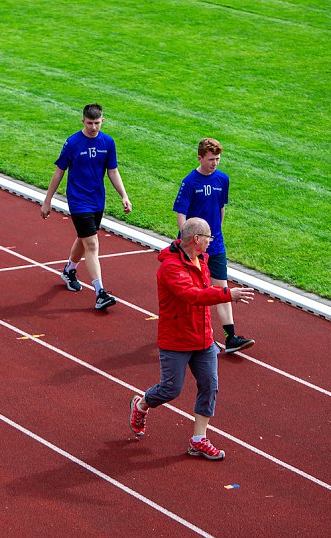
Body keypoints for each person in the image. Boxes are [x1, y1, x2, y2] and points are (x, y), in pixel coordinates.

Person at [128, 217, 255, 460]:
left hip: (203, 338)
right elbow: (192, 295)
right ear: (197, 239)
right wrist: (228, 294)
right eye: (208, 237)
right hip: (176, 339)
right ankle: (141, 404)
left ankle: (199, 440)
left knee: (210, 385)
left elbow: (204, 292)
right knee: (170, 389)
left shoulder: (202, 260)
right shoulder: (170, 268)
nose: (211, 241)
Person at [40, 103, 132, 310]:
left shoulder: (108, 142)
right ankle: (100, 293)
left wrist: (124, 195)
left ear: (103, 121)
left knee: (84, 239)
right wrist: (47, 200)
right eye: (89, 123)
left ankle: (69, 270)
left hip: (97, 200)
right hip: (78, 200)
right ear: (83, 121)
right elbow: (59, 171)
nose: (93, 127)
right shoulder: (72, 143)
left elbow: (113, 171)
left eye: (97, 123)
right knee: (92, 244)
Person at [173, 138, 255, 353]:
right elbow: (181, 214)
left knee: (221, 288)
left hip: (215, 244)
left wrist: (214, 235)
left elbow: (221, 209)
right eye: (211, 159)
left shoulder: (222, 179)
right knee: (194, 290)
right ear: (200, 158)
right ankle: (189, 332)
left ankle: (231, 337)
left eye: (218, 159)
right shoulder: (189, 182)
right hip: (193, 247)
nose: (215, 163)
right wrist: (188, 241)